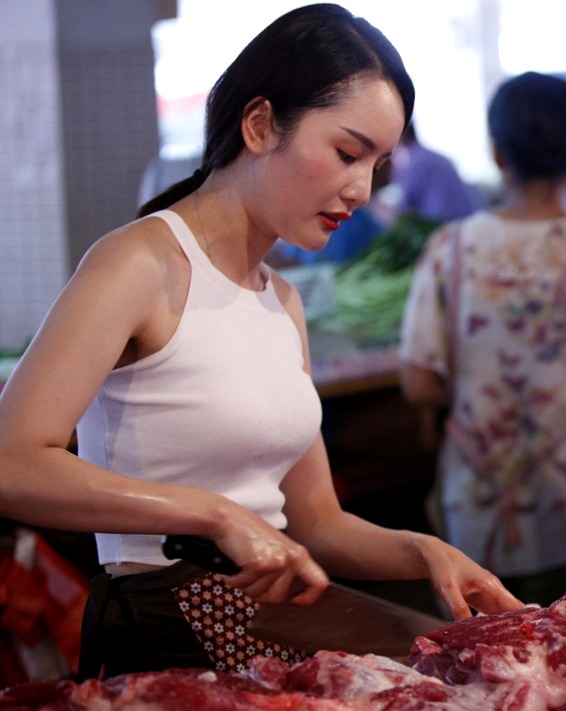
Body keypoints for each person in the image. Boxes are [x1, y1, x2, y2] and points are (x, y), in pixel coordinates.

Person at [0, 4, 522, 679]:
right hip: (166, 617)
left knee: (482, 678)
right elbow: (13, 460)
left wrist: (421, 549)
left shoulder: (282, 299)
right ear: (258, 125)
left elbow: (317, 522)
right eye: (346, 152)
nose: (361, 189)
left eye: (378, 163)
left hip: (272, 612)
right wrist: (213, 515)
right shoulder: (139, 262)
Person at [399, 72, 566, 607]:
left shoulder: (451, 248)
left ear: (497, 153)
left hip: (478, 498)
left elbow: (419, 383)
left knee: (484, 657)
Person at [390, 122, 481, 223]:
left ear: (401, 137)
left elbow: (406, 205)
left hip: (443, 223)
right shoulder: (434, 156)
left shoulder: (416, 162)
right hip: (468, 219)